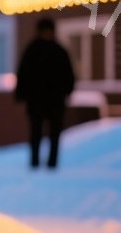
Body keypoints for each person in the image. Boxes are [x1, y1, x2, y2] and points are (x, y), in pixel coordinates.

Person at [14, 18, 76, 170]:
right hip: (38, 101)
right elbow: (23, 74)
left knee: (53, 134)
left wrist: (68, 91)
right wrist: (21, 94)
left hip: (53, 101)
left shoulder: (56, 51)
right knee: (36, 132)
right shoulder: (35, 50)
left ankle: (52, 163)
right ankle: (35, 162)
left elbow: (68, 75)